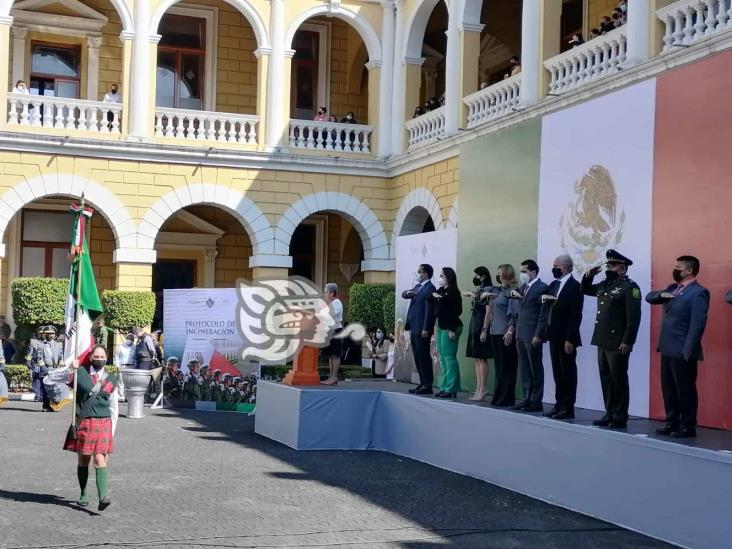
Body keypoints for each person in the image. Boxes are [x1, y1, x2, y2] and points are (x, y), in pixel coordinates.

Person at [646, 256, 709, 438]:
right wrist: (661, 295)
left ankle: (687, 425)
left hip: (682, 349)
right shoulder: (673, 288)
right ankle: (672, 421)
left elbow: (698, 323)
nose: (675, 269)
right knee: (669, 388)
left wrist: (688, 349)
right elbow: (650, 297)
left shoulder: (698, 292)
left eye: (678, 267)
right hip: (667, 347)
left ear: (689, 270)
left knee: (685, 389)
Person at [581, 249, 642, 429]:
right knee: (606, 378)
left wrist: (628, 341)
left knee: (618, 378)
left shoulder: (629, 287)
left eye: (612, 265)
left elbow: (633, 317)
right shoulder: (606, 284)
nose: (608, 268)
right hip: (602, 339)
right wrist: (588, 276)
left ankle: (620, 414)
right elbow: (585, 289)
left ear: (622, 268)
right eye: (608, 265)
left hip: (618, 341)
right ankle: (609, 412)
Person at [62, 344, 118, 511]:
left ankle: (103, 497)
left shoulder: (112, 378)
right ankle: (83, 493)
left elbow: (114, 406)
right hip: (84, 422)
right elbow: (51, 379)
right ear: (91, 357)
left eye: (102, 357)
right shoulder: (80, 373)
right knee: (83, 460)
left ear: (106, 358)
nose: (99, 359)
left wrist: (112, 430)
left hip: (104, 423)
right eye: (96, 357)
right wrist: (70, 368)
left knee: (100, 459)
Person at [541, 254, 584, 419]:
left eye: (556, 266)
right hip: (553, 335)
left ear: (565, 267)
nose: (554, 269)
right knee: (557, 372)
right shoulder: (553, 285)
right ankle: (558, 404)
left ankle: (568, 407)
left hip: (566, 337)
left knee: (568, 372)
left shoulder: (575, 286)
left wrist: (570, 338)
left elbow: (575, 315)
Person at [511, 260, 549, 412]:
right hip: (521, 334)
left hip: (533, 334)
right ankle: (526, 397)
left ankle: (536, 400)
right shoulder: (523, 287)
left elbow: (543, 314)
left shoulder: (542, 287)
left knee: (535, 368)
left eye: (525, 271)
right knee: (524, 368)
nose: (522, 274)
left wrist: (538, 334)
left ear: (533, 272)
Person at [484, 265, 520, 407]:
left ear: (507, 273)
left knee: (507, 367)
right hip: (495, 332)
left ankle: (507, 397)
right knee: (499, 367)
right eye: (497, 273)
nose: (498, 275)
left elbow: (514, 313)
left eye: (500, 273)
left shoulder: (512, 291)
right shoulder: (497, 291)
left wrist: (510, 330)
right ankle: (499, 396)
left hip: (505, 333)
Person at [402, 264, 437, 395]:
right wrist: (408, 293)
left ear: (426, 274)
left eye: (419, 272)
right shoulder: (418, 287)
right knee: (417, 355)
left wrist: (426, 328)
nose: (418, 274)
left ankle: (428, 384)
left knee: (423, 356)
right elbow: (404, 294)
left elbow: (429, 311)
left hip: (422, 328)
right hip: (414, 327)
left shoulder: (430, 288)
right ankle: (422, 382)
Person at [430, 267, 463, 398]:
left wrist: (452, 329)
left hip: (451, 326)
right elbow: (430, 297)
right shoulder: (442, 290)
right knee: (442, 357)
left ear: (448, 277)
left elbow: (456, 311)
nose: (440, 278)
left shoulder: (454, 292)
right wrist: (435, 296)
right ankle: (444, 386)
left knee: (449, 357)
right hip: (440, 326)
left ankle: (452, 387)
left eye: (442, 276)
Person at [463, 266, 493, 401]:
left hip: (481, 323)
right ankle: (478, 387)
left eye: (477, 275)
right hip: (474, 322)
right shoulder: (478, 289)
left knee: (482, 357)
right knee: (476, 358)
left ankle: (483, 388)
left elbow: (488, 312)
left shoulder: (488, 290)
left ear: (483, 276)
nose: (474, 278)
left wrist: (484, 330)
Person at [320, 283, 344, 385]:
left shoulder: (337, 303)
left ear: (332, 293)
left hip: (336, 331)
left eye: (326, 292)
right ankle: (330, 376)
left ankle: (334, 377)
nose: (324, 294)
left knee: (335, 355)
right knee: (330, 354)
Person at [40, 326, 64, 411]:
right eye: (48, 333)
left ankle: (54, 404)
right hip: (46, 369)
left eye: (52, 333)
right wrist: (43, 367)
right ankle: (46, 406)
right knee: (45, 389)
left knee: (55, 389)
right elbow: (39, 357)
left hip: (55, 370)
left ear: (55, 335)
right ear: (45, 334)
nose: (50, 335)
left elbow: (61, 357)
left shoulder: (59, 345)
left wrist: (60, 367)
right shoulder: (41, 345)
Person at [113, 331, 136, 401]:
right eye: (128, 338)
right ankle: (121, 397)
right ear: (126, 338)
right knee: (121, 382)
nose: (130, 339)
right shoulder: (121, 346)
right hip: (122, 366)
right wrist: (117, 366)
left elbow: (136, 357)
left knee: (129, 383)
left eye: (131, 338)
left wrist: (136, 366)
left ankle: (128, 397)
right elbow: (116, 356)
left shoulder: (135, 347)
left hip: (131, 366)